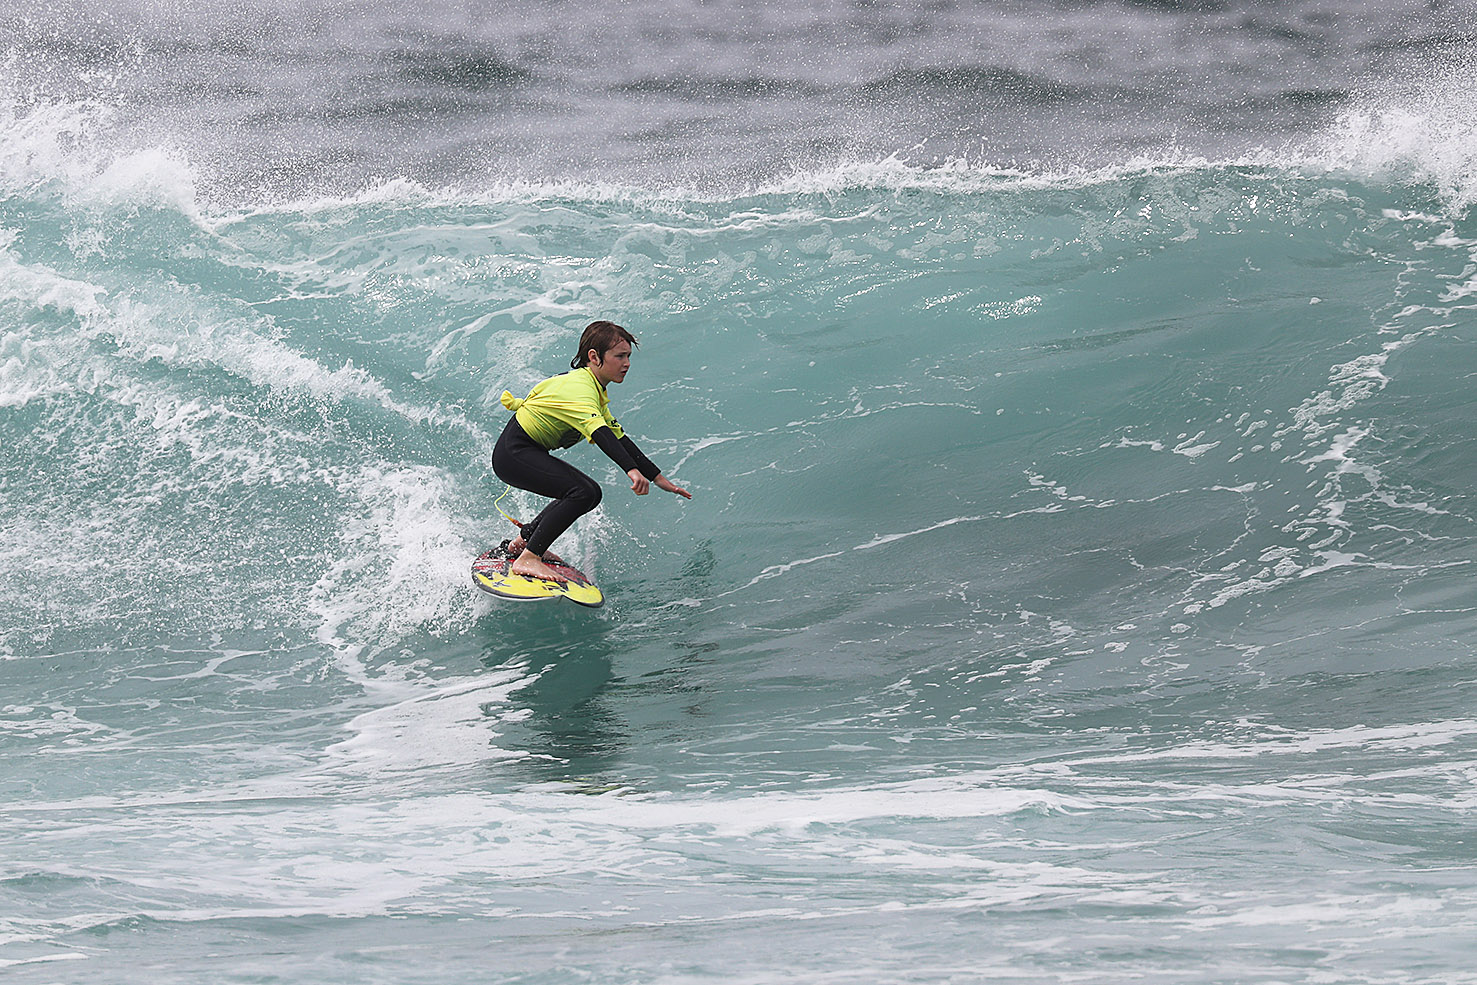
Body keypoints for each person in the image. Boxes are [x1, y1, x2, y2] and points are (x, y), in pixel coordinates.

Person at [493, 320, 692, 583]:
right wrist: (632, 471)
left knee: (585, 492)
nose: (627, 363)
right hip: (514, 454)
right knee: (583, 492)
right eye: (620, 356)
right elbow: (600, 433)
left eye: (629, 356)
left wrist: (658, 478)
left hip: (522, 451)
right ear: (594, 357)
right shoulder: (580, 389)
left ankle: (522, 544)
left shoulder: (593, 389)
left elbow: (619, 438)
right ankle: (529, 558)